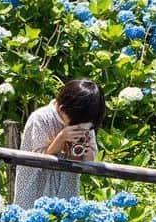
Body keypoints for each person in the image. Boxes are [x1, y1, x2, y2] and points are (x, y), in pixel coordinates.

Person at [13, 78, 105, 210]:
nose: (80, 127)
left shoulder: (85, 120)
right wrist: (61, 138)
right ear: (62, 109)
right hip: (35, 190)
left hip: (66, 191)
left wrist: (87, 151)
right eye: (76, 123)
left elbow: (89, 160)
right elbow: (37, 159)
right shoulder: (41, 118)